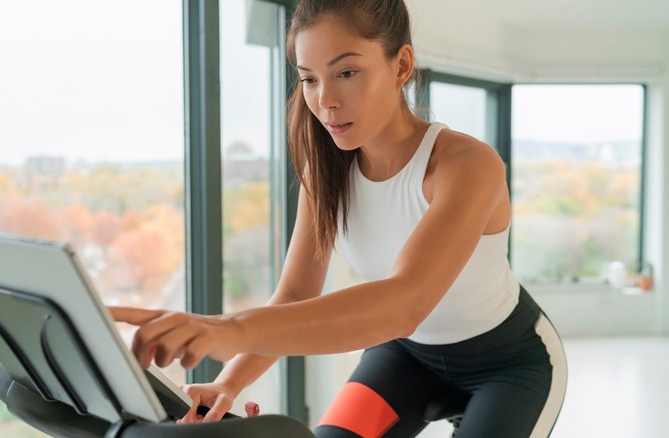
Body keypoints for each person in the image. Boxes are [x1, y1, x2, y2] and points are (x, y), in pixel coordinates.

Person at [111, 0, 567, 436]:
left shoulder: (467, 164)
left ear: (401, 66)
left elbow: (404, 304)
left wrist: (227, 330)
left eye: (346, 72)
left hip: (508, 364)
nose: (325, 100)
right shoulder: (326, 171)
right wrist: (230, 381)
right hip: (405, 357)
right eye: (309, 79)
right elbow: (295, 293)